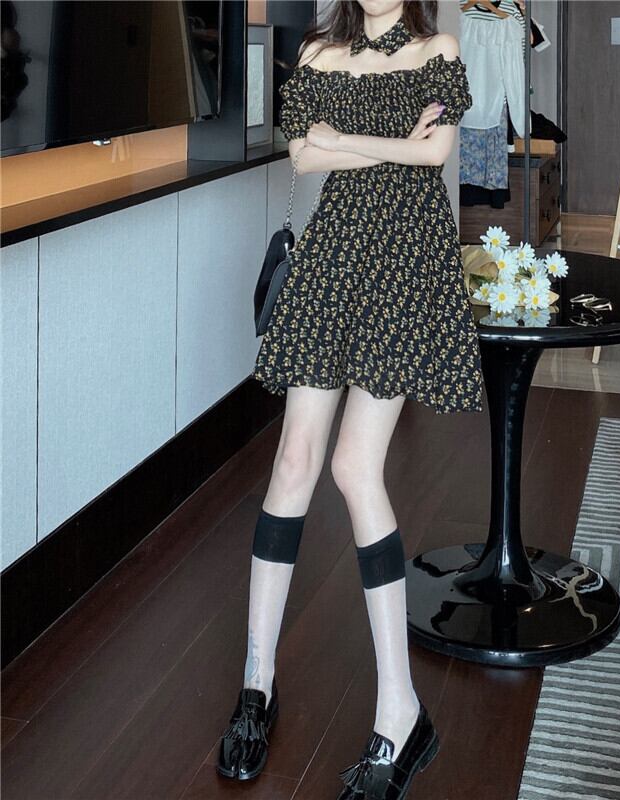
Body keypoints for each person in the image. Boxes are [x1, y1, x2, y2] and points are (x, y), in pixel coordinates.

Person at [217, 1, 484, 797]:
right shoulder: (318, 53)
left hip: (405, 264)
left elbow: (436, 154)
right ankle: (256, 683)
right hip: (333, 261)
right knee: (293, 462)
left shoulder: (437, 48)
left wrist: (347, 141)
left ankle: (400, 709)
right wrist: (380, 144)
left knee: (354, 469)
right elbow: (303, 158)